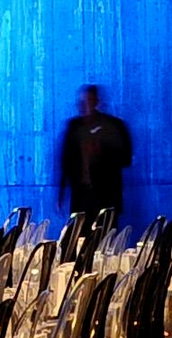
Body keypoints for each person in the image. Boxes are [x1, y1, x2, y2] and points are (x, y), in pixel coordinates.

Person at [56, 85, 132, 231]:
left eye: (89, 101)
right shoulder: (74, 127)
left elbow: (126, 158)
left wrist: (100, 153)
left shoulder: (113, 126)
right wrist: (62, 192)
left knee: (105, 240)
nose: (86, 106)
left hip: (106, 196)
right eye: (83, 102)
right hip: (81, 197)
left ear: (97, 101)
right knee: (79, 240)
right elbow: (66, 161)